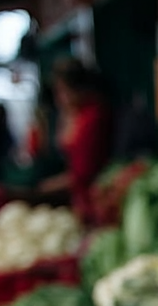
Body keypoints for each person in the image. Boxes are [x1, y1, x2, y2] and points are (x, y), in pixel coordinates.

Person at [37, 58, 112, 224]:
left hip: (93, 199)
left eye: (61, 91)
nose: (59, 99)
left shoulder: (93, 117)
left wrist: (49, 186)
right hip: (78, 199)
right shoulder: (73, 114)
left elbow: (84, 173)